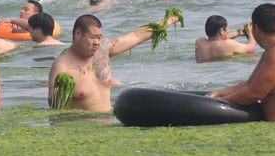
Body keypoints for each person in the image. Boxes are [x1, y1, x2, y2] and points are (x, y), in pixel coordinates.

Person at [48, 13, 182, 112]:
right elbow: (54, 104)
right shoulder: (62, 66)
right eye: (93, 37)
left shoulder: (102, 51)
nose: (97, 42)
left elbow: (135, 36)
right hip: (81, 129)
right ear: (78, 34)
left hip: (108, 125)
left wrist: (168, 20)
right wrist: (60, 91)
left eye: (100, 37)